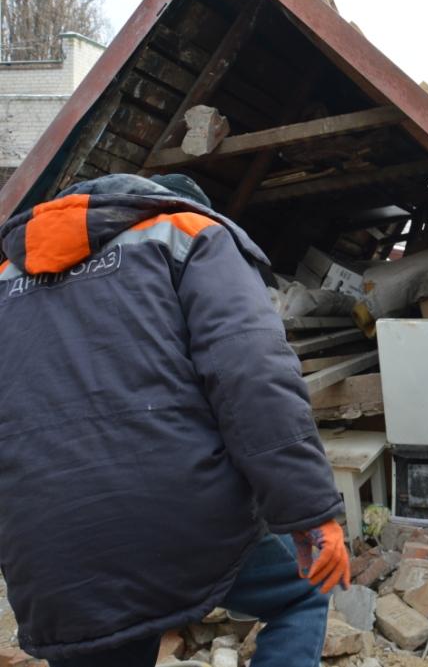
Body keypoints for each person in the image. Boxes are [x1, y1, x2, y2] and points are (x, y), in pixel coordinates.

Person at [0, 174, 352, 667]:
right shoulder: (189, 233)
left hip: (50, 550)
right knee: (301, 595)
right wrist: (311, 512)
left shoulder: (6, 276)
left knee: (108, 640)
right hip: (178, 513)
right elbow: (251, 373)